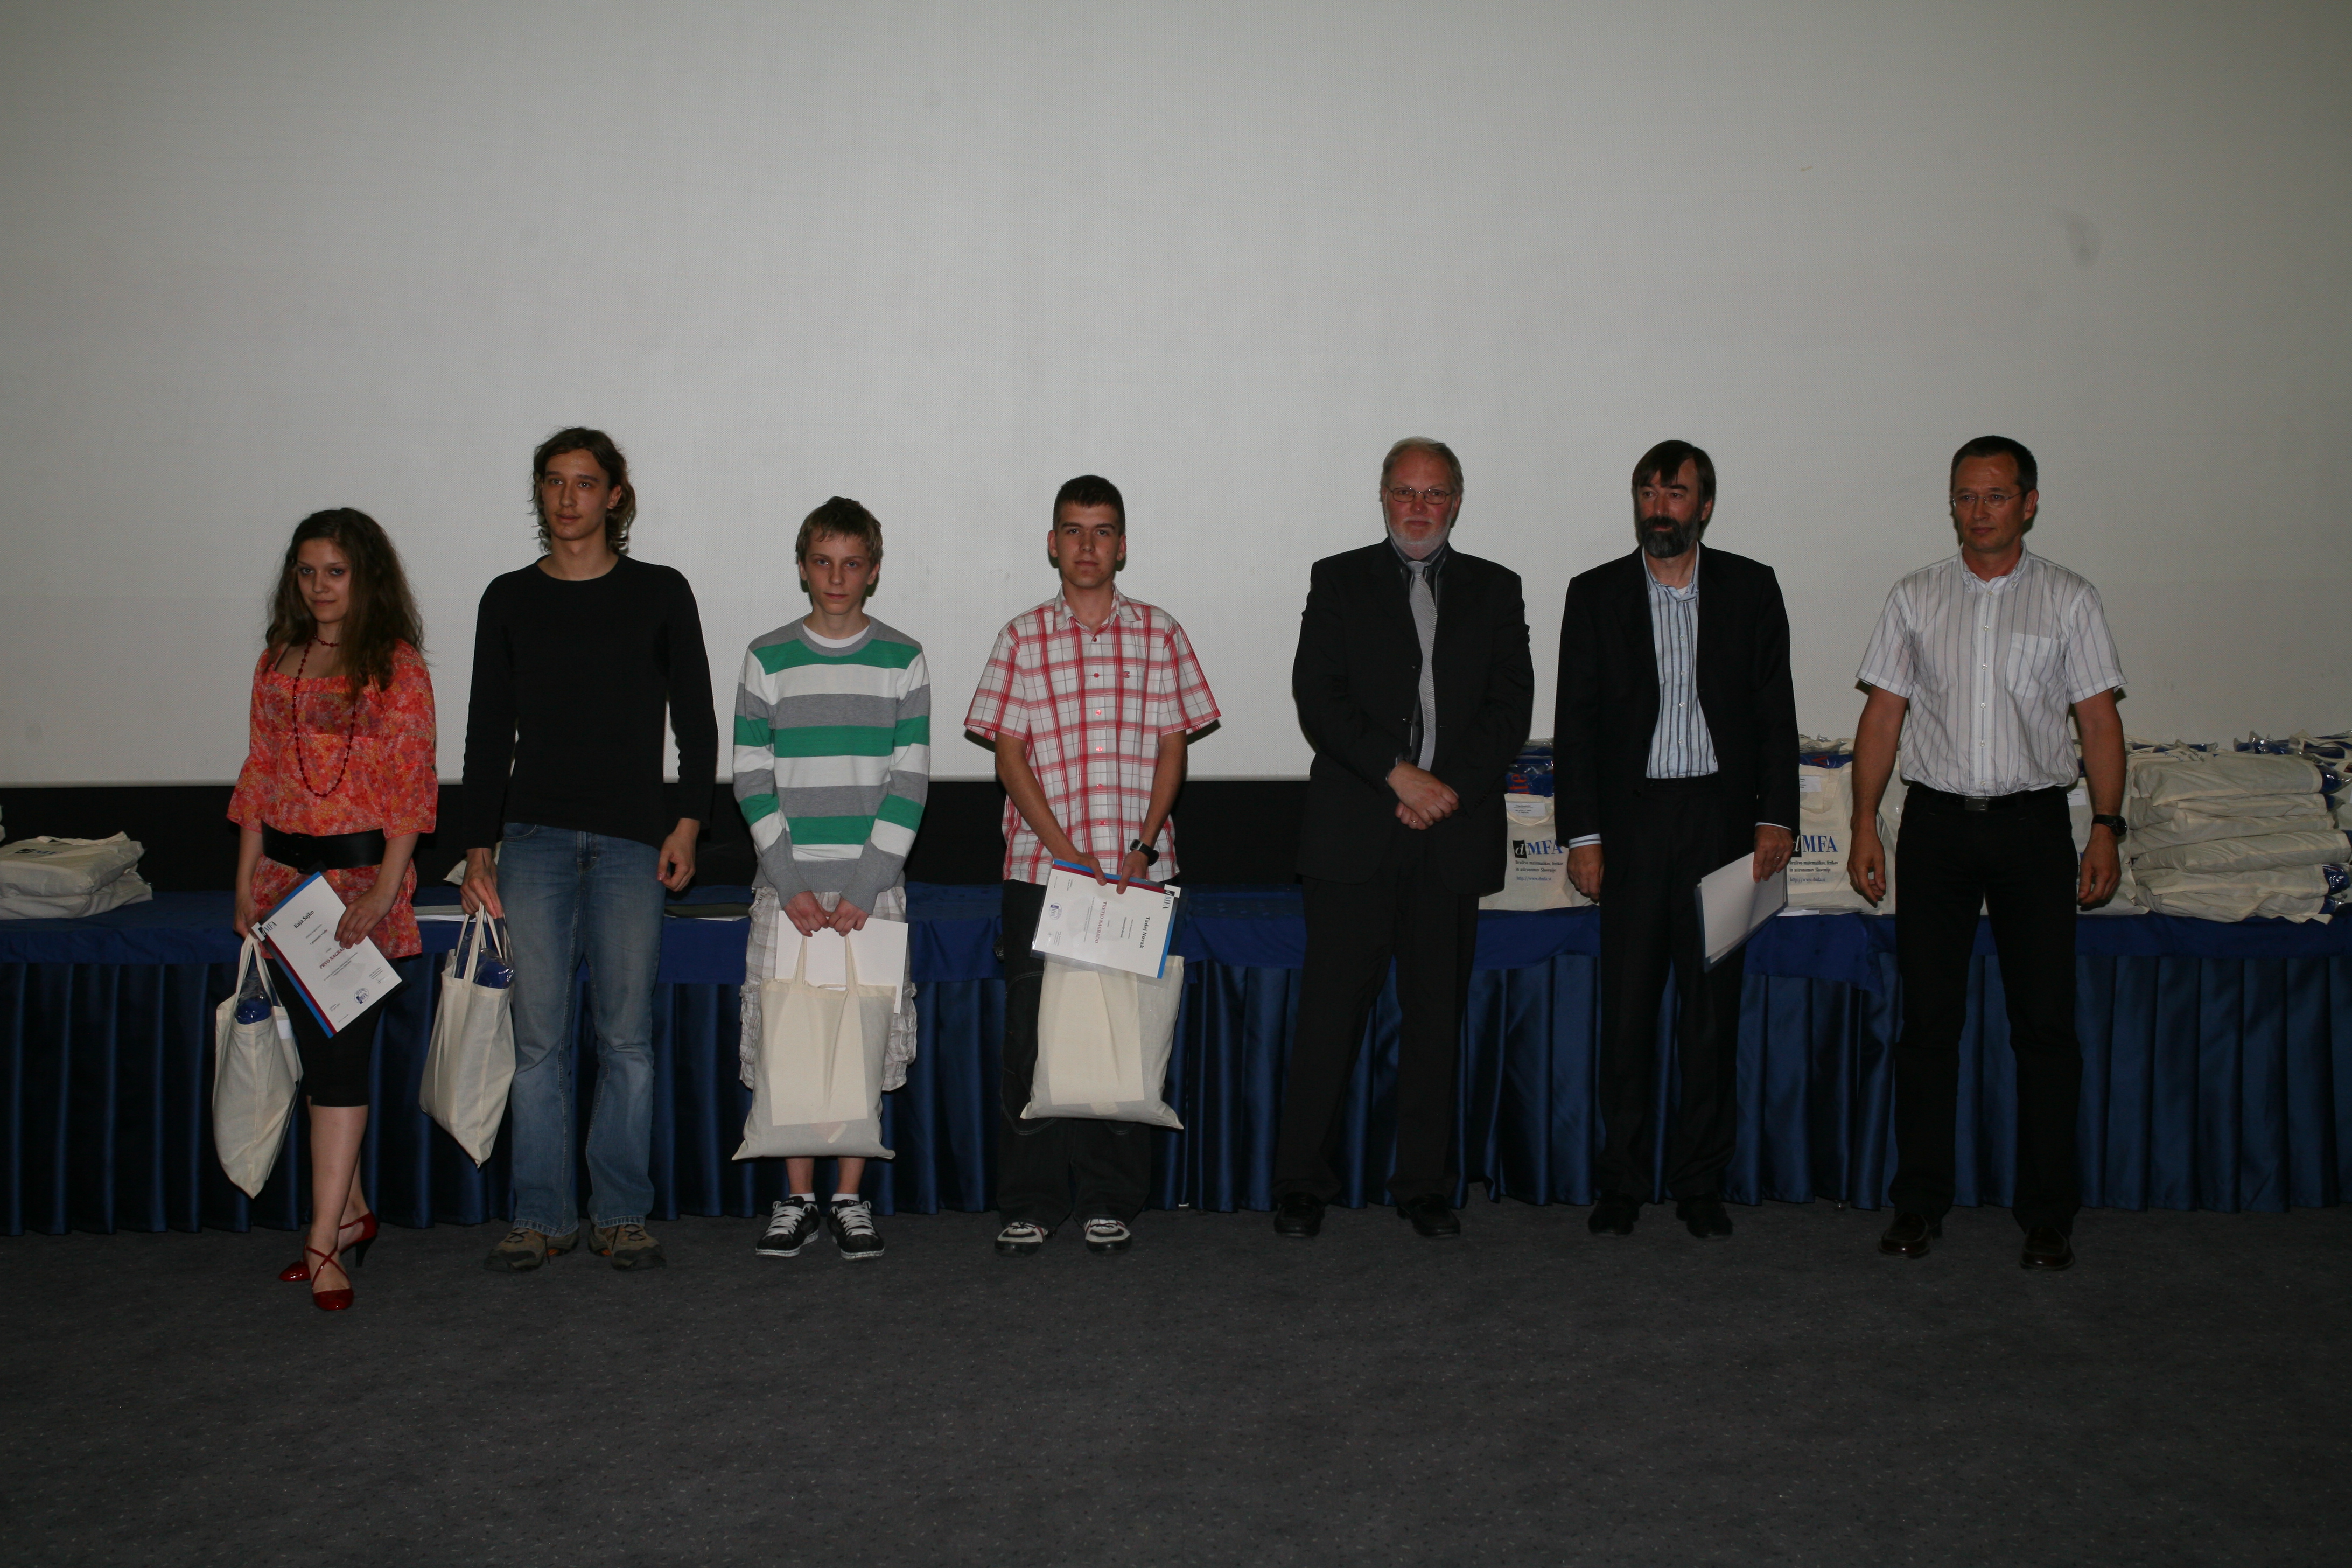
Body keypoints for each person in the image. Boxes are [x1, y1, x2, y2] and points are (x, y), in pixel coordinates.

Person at [1846, 436, 2126, 1271]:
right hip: (1935, 828)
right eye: (1965, 496)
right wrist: (1864, 822)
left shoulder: (2070, 599)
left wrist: (2106, 826)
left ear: (2029, 504)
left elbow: (2099, 721)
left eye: (1996, 496)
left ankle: (2048, 1213)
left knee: (2044, 1027)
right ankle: (1919, 1202)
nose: (1979, 512)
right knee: (1928, 1025)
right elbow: (1883, 716)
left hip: (2032, 829)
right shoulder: (1915, 596)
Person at [459, 428, 717, 1273]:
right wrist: (478, 845)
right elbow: (487, 731)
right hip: (530, 841)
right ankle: (541, 1215)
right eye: (554, 482)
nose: (568, 498)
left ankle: (621, 1214)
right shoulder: (507, 598)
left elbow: (698, 721)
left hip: (631, 843)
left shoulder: (661, 592)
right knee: (537, 1042)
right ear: (540, 493)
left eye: (585, 482)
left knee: (626, 1041)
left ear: (615, 496)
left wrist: (687, 824)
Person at [1275, 438, 1532, 1241]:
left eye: (1435, 493)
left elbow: (1510, 708)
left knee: (1435, 1022)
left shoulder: (1496, 588)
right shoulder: (1338, 579)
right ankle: (1301, 1186)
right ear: (1383, 497)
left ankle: (1424, 1186)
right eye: (1405, 492)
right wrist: (1399, 776)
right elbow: (1318, 695)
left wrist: (1440, 791)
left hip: (1450, 834)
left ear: (1457, 502)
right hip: (1356, 832)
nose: (1419, 508)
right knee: (1329, 1020)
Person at [963, 474, 1219, 1257]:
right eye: (1073, 531)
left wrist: (1143, 844)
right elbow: (1009, 755)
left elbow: (1174, 746)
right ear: (1052, 544)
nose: (1087, 545)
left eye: (1102, 531)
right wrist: (1065, 851)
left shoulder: (1161, 633)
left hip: (1141, 875)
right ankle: (1032, 1200)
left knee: (1124, 1041)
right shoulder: (1020, 636)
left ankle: (1111, 1197)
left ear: (1122, 545)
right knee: (1033, 1041)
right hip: (1043, 874)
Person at [1554, 441, 1797, 1240]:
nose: (1659, 508)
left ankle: (1700, 1183)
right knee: (1627, 1015)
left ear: (1706, 506)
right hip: (1630, 828)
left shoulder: (1751, 589)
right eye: (1648, 493)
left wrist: (1777, 817)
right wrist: (1584, 835)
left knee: (1711, 1016)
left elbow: (1774, 711)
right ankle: (1621, 1182)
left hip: (1721, 828)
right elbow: (1576, 725)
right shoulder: (1595, 594)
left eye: (1676, 494)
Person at [229, 508, 436, 1311]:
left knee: (341, 1063)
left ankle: (321, 1241)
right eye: (308, 571)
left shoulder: (396, 665)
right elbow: (259, 776)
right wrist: (245, 884)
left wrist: (384, 893)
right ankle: (349, 1216)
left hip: (356, 896)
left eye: (336, 572)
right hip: (285, 893)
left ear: (366, 576)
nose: (320, 586)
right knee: (318, 1064)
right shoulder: (276, 659)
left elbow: (412, 789)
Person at [733, 496, 929, 1262]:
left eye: (852, 564)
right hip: (787, 895)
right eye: (823, 562)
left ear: (873, 571)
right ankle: (796, 1197)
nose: (837, 578)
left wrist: (867, 885)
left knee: (862, 1041)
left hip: (869, 896)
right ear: (803, 567)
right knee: (788, 1040)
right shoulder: (767, 657)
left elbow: (908, 781)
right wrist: (788, 882)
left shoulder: (903, 658)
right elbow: (752, 777)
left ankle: (848, 1196)